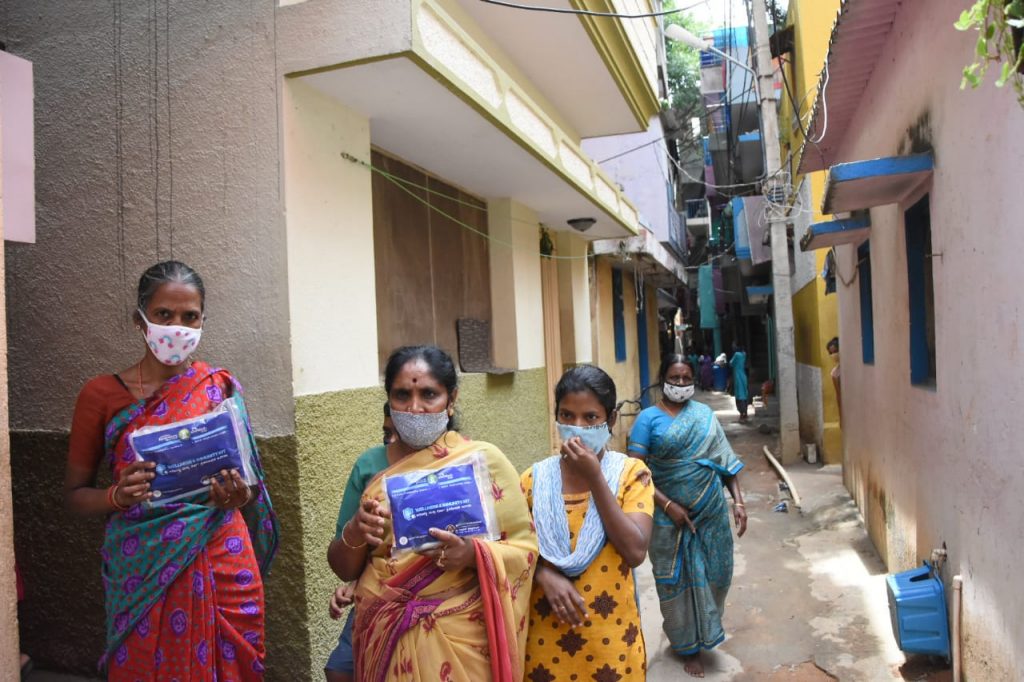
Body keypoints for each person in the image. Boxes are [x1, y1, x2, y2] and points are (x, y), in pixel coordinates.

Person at [63, 261, 278, 680]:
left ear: (202, 321)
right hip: (141, 562)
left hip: (223, 556)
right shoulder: (101, 395)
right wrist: (116, 497)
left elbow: (250, 488)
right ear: (139, 321)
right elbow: (73, 497)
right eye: (164, 315)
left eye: (189, 316)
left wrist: (238, 496)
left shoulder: (219, 387)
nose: (177, 327)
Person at [327, 345, 537, 681]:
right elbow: (342, 567)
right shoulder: (370, 467)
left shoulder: (483, 462)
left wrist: (471, 554)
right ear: (388, 400)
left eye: (428, 394)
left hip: (463, 639)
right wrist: (354, 532)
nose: (414, 408)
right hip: (386, 636)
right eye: (401, 395)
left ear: (450, 400)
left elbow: (523, 551)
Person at [521, 365, 654, 682]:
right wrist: (543, 574)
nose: (576, 427)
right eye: (567, 416)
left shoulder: (632, 475)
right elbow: (511, 550)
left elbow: (635, 551)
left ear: (610, 420)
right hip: (544, 643)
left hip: (611, 644)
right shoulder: (532, 481)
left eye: (590, 417)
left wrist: (595, 477)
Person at [627, 354, 747, 679]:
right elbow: (636, 473)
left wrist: (738, 502)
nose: (680, 384)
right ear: (663, 378)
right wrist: (669, 507)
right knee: (674, 584)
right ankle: (687, 647)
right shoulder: (648, 419)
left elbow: (725, 461)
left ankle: (706, 632)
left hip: (710, 514)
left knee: (717, 576)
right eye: (674, 377)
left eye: (685, 378)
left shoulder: (704, 415)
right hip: (668, 521)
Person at [324, 404, 397, 682]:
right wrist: (355, 583)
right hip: (375, 591)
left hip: (434, 596)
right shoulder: (369, 465)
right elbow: (347, 549)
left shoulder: (451, 462)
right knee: (339, 670)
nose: (391, 443)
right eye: (385, 433)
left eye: (398, 435)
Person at [730, 344, 750, 422]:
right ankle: (745, 411)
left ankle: (742, 412)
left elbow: (731, 363)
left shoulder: (736, 355)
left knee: (739, 394)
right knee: (745, 393)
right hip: (743, 375)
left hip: (738, 376)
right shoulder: (744, 354)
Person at [826, 337, 841, 420]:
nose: (834, 355)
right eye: (831, 353)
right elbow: (838, 395)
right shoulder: (834, 373)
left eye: (835, 351)